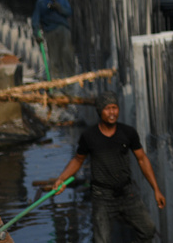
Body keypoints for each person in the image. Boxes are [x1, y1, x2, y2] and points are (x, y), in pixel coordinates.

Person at [53, 91, 166, 242]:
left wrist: (156, 189)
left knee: (148, 230)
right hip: (102, 197)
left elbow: (142, 159)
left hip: (127, 193)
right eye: (108, 108)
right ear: (100, 111)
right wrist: (62, 179)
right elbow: (77, 160)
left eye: (115, 108)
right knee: (102, 240)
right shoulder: (89, 136)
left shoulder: (128, 133)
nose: (112, 112)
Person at [31, 0, 76, 80]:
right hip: (50, 31)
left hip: (64, 30)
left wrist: (59, 7)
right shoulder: (41, 2)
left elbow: (69, 12)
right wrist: (36, 33)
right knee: (54, 58)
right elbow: (35, 19)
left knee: (67, 55)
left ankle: (70, 83)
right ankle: (56, 85)